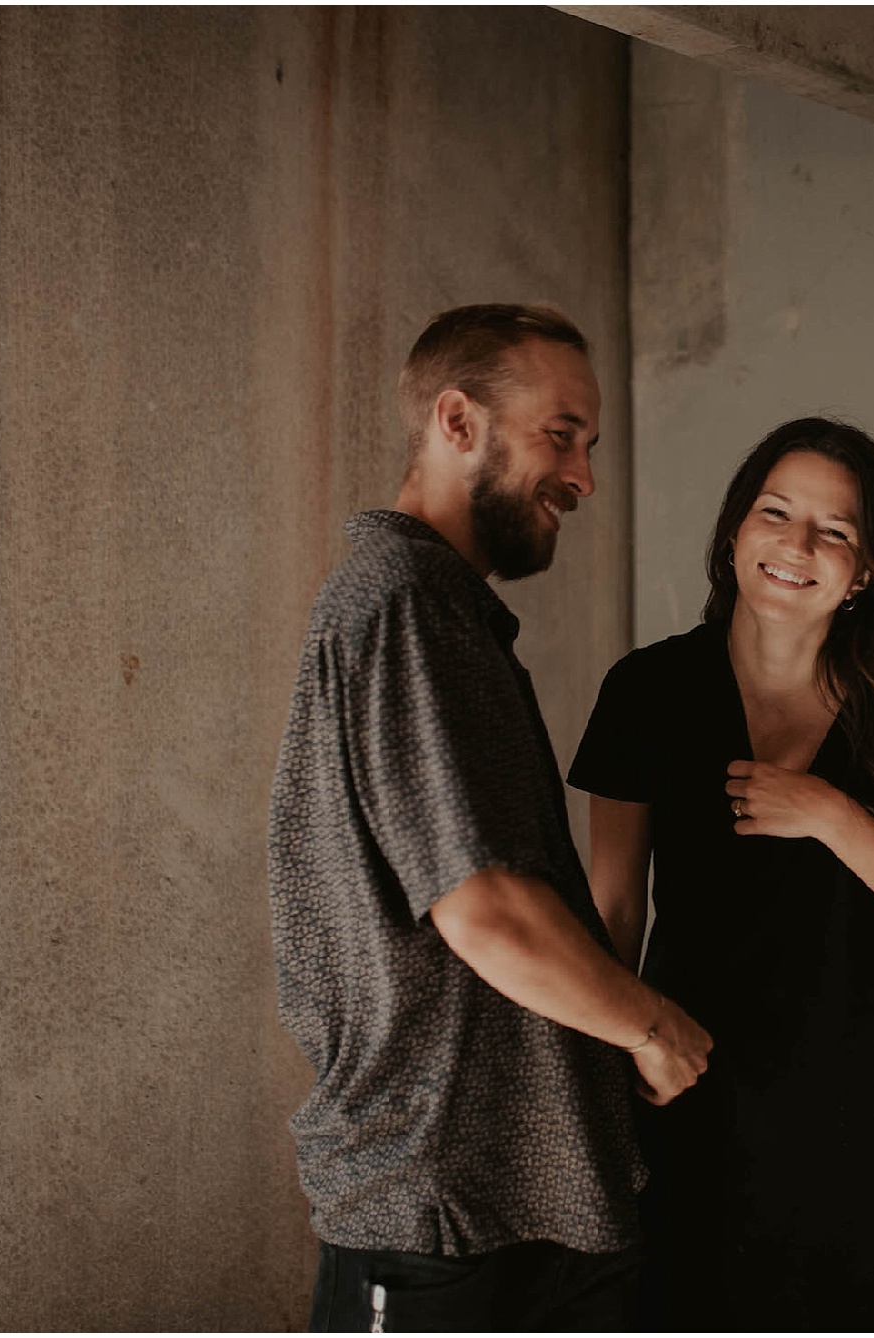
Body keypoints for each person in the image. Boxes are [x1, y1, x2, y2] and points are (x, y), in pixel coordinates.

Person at [268, 303, 713, 1332]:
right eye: (560, 434)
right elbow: (486, 913)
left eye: (589, 445)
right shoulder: (400, 608)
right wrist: (650, 1027)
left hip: (512, 1204)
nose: (583, 478)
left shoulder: (442, 614)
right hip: (437, 1213)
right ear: (456, 422)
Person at [568, 417, 874, 1330]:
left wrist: (832, 817)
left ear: (866, 572)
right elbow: (613, 913)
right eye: (776, 512)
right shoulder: (646, 690)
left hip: (857, 1122)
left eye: (836, 530)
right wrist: (606, 1082)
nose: (797, 544)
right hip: (686, 1096)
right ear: (736, 531)